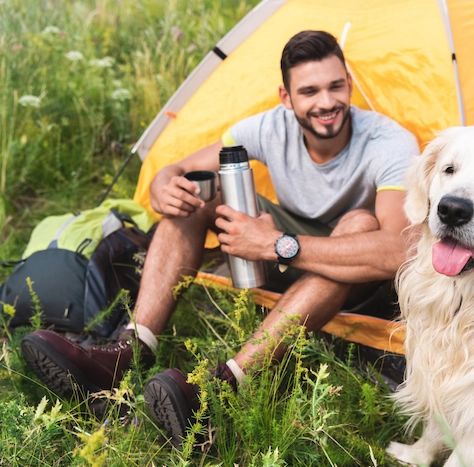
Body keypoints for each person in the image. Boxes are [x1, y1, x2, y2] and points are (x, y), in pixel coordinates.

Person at [21, 30, 419, 446]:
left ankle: (222, 388)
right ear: (286, 97)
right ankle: (130, 352)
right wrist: (164, 186)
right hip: (283, 255)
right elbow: (175, 170)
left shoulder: (388, 143)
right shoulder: (269, 127)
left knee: (358, 221)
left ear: (349, 85)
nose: (326, 102)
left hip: (351, 281)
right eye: (310, 90)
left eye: (336, 86)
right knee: (198, 192)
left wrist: (274, 243)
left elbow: (398, 250)